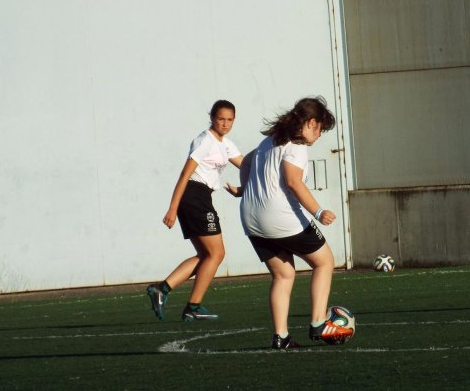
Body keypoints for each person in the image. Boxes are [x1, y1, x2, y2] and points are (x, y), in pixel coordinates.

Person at [227, 96, 353, 349]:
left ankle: (281, 336)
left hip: (251, 219)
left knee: (283, 274)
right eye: (320, 130)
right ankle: (318, 321)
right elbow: (294, 182)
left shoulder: (269, 141)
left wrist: (245, 189)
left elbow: (247, 162)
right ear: (311, 123)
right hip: (281, 218)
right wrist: (318, 212)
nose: (319, 137)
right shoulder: (296, 146)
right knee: (325, 261)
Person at [147, 100, 243, 322]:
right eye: (221, 119)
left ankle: (162, 289)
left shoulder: (225, 144)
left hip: (201, 198)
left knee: (206, 255)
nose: (225, 123)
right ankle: (193, 306)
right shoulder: (205, 141)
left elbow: (247, 165)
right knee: (217, 253)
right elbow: (184, 175)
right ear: (212, 118)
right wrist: (172, 209)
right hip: (194, 197)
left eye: (230, 120)